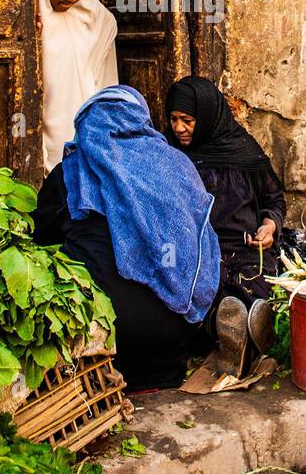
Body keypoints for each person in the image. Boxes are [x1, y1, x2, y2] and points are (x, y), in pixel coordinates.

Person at [32, 85, 221, 391]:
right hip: (175, 334)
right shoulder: (177, 165)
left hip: (108, 337)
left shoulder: (72, 173)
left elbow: (40, 237)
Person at [166, 76, 286, 372]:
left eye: (187, 120)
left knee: (253, 293)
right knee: (198, 297)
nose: (178, 128)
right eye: (173, 119)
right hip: (197, 253)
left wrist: (269, 227)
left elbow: (274, 199)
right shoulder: (169, 155)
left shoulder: (242, 150)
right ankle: (229, 331)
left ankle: (246, 332)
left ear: (207, 116)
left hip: (245, 250)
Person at [38, 0, 118, 173]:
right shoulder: (33, 12)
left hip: (80, 113)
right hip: (45, 116)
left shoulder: (92, 13)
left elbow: (105, 71)